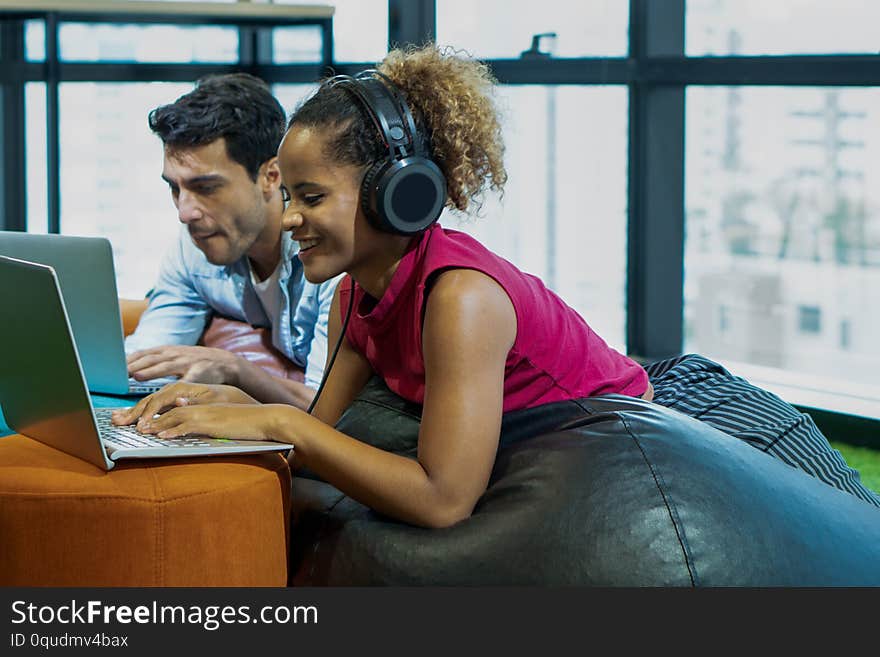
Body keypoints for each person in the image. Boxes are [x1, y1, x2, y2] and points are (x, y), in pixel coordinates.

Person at [115, 45, 879, 521]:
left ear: (398, 192)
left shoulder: (461, 299)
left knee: (862, 537)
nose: (287, 221)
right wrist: (224, 411)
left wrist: (279, 423)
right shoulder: (357, 294)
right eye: (288, 197)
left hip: (696, 416)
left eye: (310, 198)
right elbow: (331, 437)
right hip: (622, 429)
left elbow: (442, 497)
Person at [125, 73, 338, 410]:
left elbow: (326, 409)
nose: (185, 212)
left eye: (206, 188)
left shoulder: (329, 254)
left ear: (271, 176)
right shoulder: (193, 247)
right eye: (174, 188)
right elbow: (148, 357)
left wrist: (234, 369)